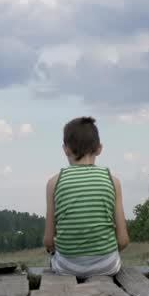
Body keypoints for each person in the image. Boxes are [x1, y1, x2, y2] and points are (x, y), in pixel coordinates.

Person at [44, 116, 130, 278]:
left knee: (55, 260)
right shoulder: (113, 181)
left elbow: (48, 241)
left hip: (67, 267)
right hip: (107, 265)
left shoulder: (54, 183)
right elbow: (123, 240)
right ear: (99, 148)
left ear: (65, 149)